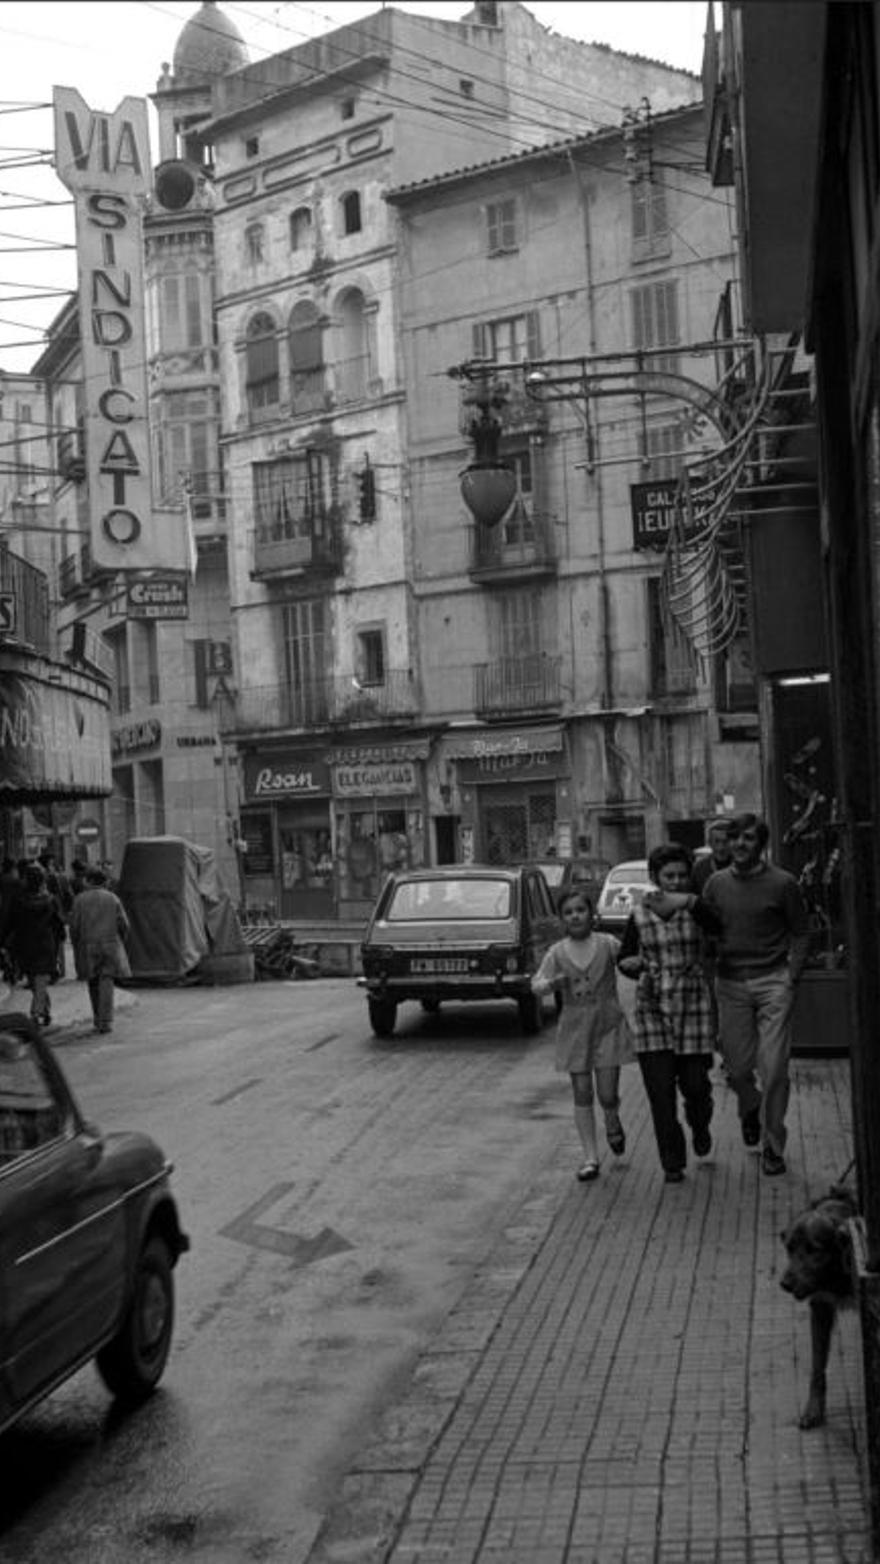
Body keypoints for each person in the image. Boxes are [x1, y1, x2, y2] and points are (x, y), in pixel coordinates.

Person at [699, 813, 810, 1176]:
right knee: (736, 1068)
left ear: (761, 845)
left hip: (773, 982)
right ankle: (751, 1106)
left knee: (775, 1068)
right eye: (734, 838)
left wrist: (790, 977)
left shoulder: (783, 884)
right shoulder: (715, 885)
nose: (740, 845)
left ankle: (773, 1146)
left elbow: (800, 932)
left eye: (748, 838)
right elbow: (706, 935)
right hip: (730, 985)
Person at [617, 843, 721, 1184]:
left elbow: (720, 927)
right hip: (652, 1009)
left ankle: (701, 1122)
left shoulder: (697, 908)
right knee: (660, 1093)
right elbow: (627, 957)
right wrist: (632, 965)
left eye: (682, 875)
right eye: (669, 876)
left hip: (692, 1004)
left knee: (695, 1085)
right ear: (654, 878)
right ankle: (672, 1162)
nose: (676, 882)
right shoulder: (639, 914)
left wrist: (691, 902)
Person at [531, 887, 633, 1182]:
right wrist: (552, 985)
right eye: (568, 912)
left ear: (592, 914)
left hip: (608, 1025)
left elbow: (629, 960)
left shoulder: (607, 944)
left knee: (607, 1092)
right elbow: (537, 982)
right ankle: (590, 1156)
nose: (575, 916)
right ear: (562, 919)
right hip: (575, 1029)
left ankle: (612, 1119)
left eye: (580, 910)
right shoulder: (557, 952)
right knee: (583, 1092)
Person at [0, 862, 65, 1026]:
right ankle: (38, 1012)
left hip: (25, 945)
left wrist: (2, 942)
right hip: (45, 944)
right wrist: (60, 940)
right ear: (42, 881)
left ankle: (41, 1011)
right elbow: (58, 924)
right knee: (41, 980)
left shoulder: (18, 900)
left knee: (35, 981)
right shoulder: (51, 900)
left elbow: (9, 923)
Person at [69, 866, 130, 1034]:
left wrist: (76, 944)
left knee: (93, 981)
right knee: (107, 981)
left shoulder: (79, 900)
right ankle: (106, 1020)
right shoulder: (113, 898)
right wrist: (120, 941)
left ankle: (97, 1018)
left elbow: (74, 927)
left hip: (88, 945)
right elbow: (124, 924)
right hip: (110, 944)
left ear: (89, 881)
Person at [692, 818, 734, 893]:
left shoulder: (742, 866)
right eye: (716, 841)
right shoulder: (699, 868)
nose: (721, 847)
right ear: (710, 842)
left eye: (726, 841)